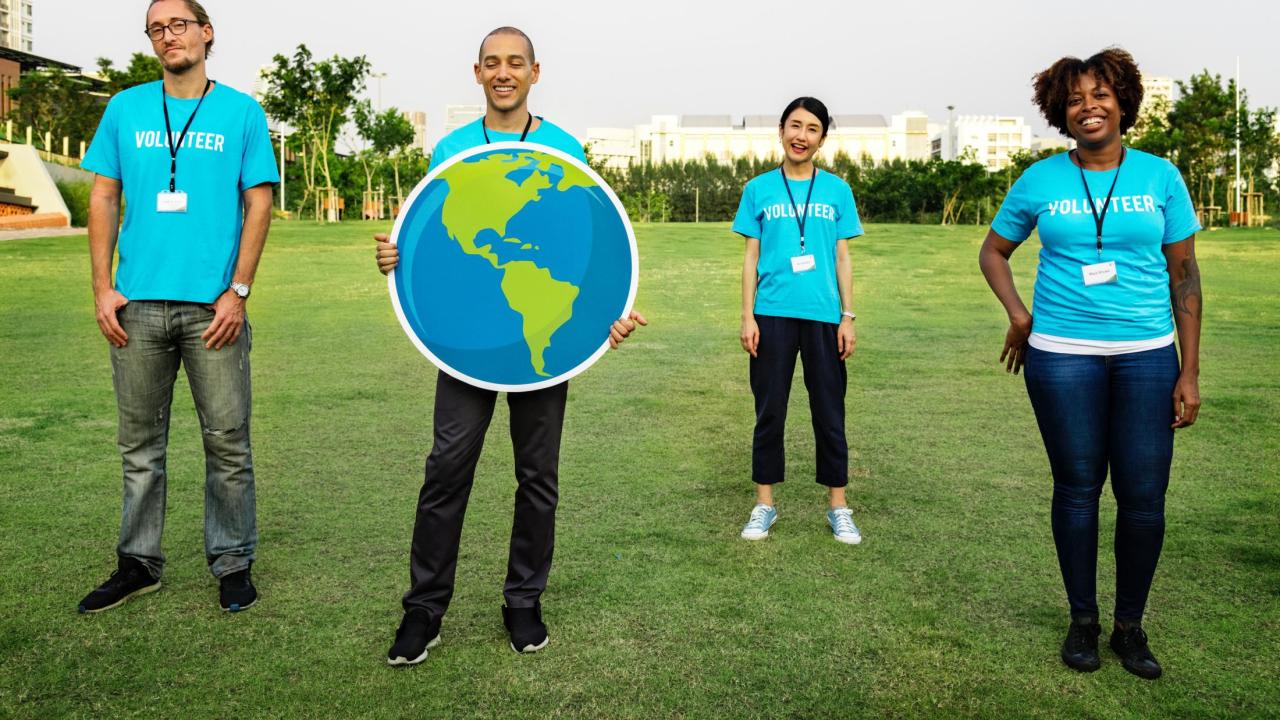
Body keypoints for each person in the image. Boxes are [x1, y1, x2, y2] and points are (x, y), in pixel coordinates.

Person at [375, 26, 646, 666]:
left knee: (537, 477)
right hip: (467, 340)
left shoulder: (562, 149)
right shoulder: (452, 149)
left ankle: (523, 602)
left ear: (535, 72)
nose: (504, 73)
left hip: (540, 336)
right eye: (492, 63)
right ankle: (424, 610)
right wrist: (396, 254)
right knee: (446, 469)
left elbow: (585, 241)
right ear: (477, 73)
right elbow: (434, 242)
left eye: (515, 63)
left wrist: (607, 314)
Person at [978, 47, 1202, 679]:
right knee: (1077, 490)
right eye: (1075, 98)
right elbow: (993, 252)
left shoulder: (1161, 177)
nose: (1088, 107)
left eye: (1100, 94)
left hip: (1146, 355)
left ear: (1123, 101)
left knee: (1143, 496)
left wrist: (1188, 370)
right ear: (1060, 111)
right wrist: (1021, 317)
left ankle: (1130, 627)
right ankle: (1083, 621)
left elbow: (1184, 275)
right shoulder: (1041, 179)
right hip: (1062, 357)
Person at [77, 0, 279, 614]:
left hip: (212, 310)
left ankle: (233, 561)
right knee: (139, 446)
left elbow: (259, 203)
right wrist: (102, 287)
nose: (170, 36)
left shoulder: (242, 112)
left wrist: (238, 291)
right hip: (135, 307)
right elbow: (104, 198)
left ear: (206, 32)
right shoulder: (125, 107)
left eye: (180, 24)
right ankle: (138, 563)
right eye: (157, 28)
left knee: (227, 441)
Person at [732, 97, 863, 545]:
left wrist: (847, 316)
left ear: (822, 138)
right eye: (794, 125)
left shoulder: (837, 191)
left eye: (811, 128)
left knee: (830, 412)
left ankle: (838, 507)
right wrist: (747, 316)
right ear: (781, 130)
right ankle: (765, 504)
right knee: (769, 412)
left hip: (824, 317)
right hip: (771, 316)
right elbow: (750, 258)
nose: (800, 135)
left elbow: (842, 257)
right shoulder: (759, 189)